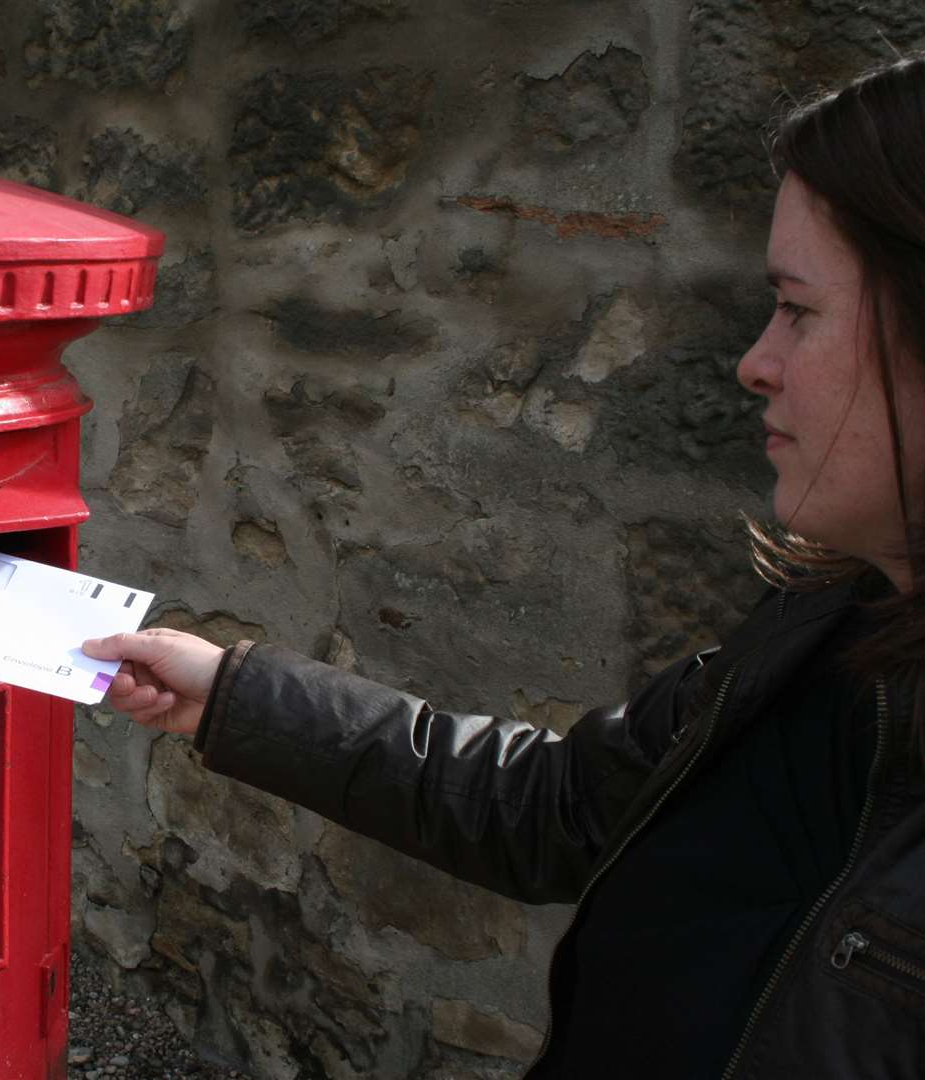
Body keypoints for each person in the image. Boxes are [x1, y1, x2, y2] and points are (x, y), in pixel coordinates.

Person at [83, 54, 925, 1079]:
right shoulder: (827, 621)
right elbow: (561, 807)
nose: (756, 360)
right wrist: (228, 695)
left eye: (798, 309)